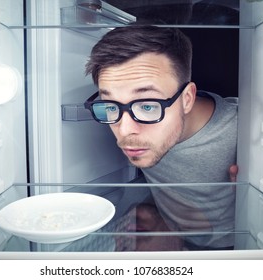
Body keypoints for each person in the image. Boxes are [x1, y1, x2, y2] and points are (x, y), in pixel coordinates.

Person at [84, 25, 238, 250]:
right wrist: (148, 211)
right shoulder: (132, 123)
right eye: (109, 105)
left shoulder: (241, 134)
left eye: (147, 105)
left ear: (187, 99)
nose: (125, 130)